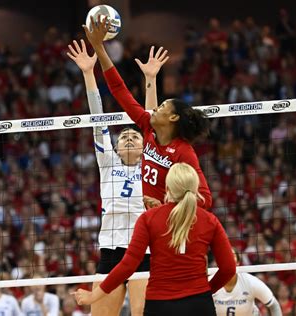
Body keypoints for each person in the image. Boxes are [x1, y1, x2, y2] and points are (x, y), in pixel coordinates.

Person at [83, 16, 212, 210]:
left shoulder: (184, 152)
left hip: (170, 224)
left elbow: (205, 200)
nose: (155, 109)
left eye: (162, 107)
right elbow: (119, 89)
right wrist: (99, 47)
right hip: (149, 220)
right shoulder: (148, 127)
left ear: (173, 118)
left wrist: (166, 204)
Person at [73, 163, 236, 315]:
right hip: (199, 304)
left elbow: (128, 265)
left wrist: (93, 296)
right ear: (196, 187)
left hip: (160, 304)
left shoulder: (148, 218)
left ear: (167, 187)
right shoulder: (209, 220)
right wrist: (206, 290)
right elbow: (229, 268)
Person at [67, 39, 148, 316]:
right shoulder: (107, 161)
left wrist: (150, 80)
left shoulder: (152, 165)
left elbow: (152, 121)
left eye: (133, 135)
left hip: (144, 251)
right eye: (123, 134)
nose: (127, 136)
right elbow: (98, 120)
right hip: (111, 250)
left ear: (144, 145)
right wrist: (89, 72)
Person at [213, 249, 282, 316]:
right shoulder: (210, 282)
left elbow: (274, 305)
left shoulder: (250, 281)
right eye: (225, 256)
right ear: (219, 262)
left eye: (231, 256)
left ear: (238, 262)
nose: (228, 259)